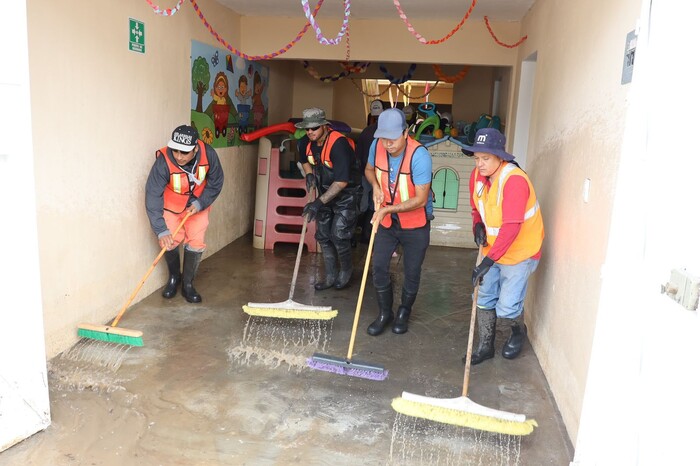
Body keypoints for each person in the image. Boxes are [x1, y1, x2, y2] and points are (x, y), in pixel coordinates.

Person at [463, 127, 544, 364]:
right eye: (477, 158)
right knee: (483, 298)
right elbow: (476, 208)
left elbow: (511, 228)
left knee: (507, 307)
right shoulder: (477, 177)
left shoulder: (515, 181)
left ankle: (518, 332)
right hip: (492, 249)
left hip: (521, 253)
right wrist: (477, 225)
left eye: (486, 158)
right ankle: (485, 346)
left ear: (501, 157)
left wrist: (486, 262)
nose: (480, 164)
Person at [364, 108, 433, 335]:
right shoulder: (377, 146)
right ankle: (385, 313)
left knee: (411, 270)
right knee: (379, 267)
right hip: (387, 222)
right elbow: (369, 169)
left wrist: (388, 209)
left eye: (392, 138)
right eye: (383, 138)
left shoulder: (419, 155)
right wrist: (375, 186)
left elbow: (421, 199)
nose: (387, 144)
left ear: (405, 133)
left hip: (415, 223)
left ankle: (404, 311)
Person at [145, 125, 224, 303]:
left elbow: (216, 181)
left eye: (184, 152)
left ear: (195, 148)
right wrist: (161, 229)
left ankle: (188, 285)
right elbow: (152, 195)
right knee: (168, 241)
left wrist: (201, 202)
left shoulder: (208, 154)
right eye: (175, 151)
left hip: (197, 205)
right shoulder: (163, 161)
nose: (179, 156)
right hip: (171, 205)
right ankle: (174, 278)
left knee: (196, 242)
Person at [297, 107, 360, 291]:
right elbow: (304, 160)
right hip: (325, 192)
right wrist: (309, 174)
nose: (310, 132)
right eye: (307, 129)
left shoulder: (338, 145)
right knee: (324, 236)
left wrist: (317, 203)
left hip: (346, 194)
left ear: (324, 126)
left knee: (339, 235)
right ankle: (330, 275)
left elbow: (341, 182)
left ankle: (346, 271)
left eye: (314, 128)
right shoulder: (304, 142)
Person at [355, 99, 384, 243]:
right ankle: (368, 236)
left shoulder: (366, 131)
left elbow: (358, 155)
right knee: (374, 205)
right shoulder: (385, 133)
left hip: (365, 174)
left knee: (364, 205)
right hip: (379, 175)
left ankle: (360, 235)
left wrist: (362, 171)